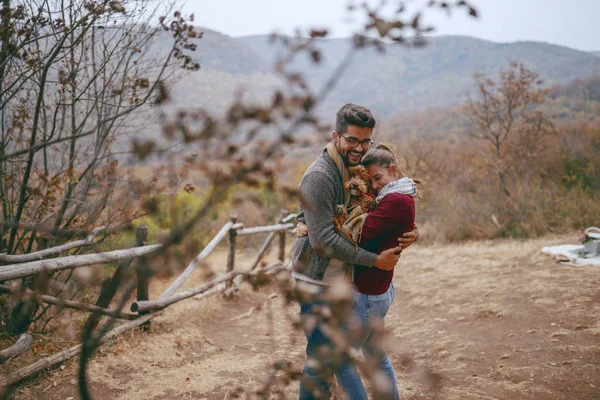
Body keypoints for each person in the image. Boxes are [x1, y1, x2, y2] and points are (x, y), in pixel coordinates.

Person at [291, 103, 418, 400]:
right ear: (337, 137)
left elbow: (382, 203)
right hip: (317, 280)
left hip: (346, 279)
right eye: (352, 140)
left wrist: (411, 230)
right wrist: (375, 260)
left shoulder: (357, 167)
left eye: (365, 141)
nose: (358, 147)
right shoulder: (320, 176)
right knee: (322, 362)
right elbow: (323, 239)